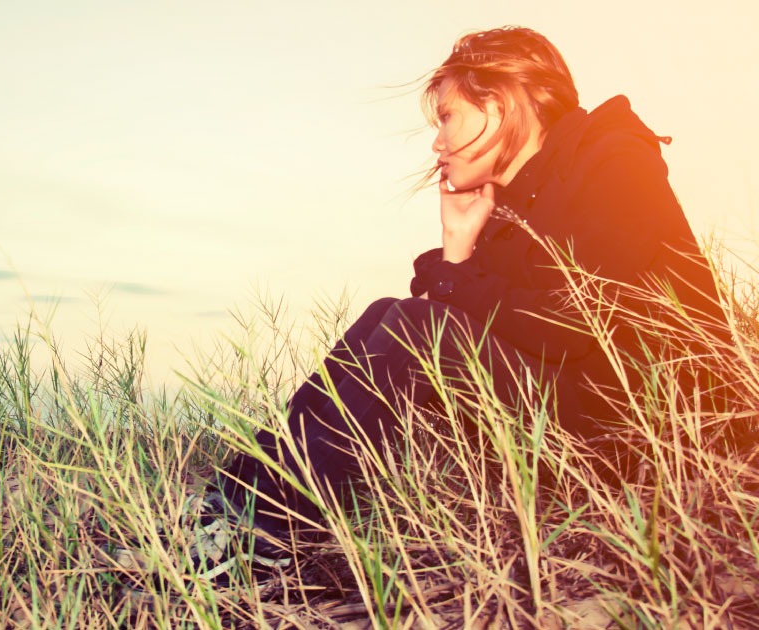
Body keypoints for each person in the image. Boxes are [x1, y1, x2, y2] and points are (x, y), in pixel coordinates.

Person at [116, 26, 728, 582]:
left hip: (669, 435)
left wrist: (457, 275)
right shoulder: (513, 207)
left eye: (447, 117)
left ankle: (268, 532)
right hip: (583, 416)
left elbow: (578, 317)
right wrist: (458, 250)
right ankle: (237, 508)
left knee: (414, 327)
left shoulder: (614, 153)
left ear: (500, 105)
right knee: (390, 313)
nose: (436, 143)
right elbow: (473, 320)